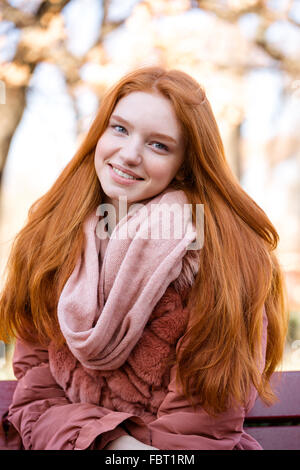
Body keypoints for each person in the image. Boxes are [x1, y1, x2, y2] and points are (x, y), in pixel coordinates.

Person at [0, 66, 288, 450]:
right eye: (119, 129)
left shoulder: (225, 261)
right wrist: (109, 445)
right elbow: (37, 394)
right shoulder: (50, 239)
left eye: (159, 145)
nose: (129, 154)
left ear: (184, 163)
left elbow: (204, 423)